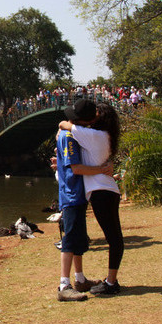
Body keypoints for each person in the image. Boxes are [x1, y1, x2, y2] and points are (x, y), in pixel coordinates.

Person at [58, 102, 124, 295]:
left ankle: (111, 283)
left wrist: (63, 125)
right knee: (114, 236)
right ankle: (108, 281)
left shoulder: (92, 135)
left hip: (101, 191)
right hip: (107, 189)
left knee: (114, 237)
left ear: (97, 119)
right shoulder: (104, 136)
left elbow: (65, 126)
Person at [54, 98, 106, 302]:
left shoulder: (72, 133)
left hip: (77, 194)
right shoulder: (69, 137)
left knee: (78, 240)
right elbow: (76, 168)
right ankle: (64, 284)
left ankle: (80, 278)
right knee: (69, 240)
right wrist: (102, 170)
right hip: (72, 194)